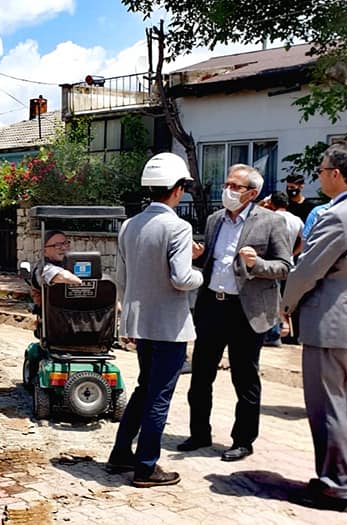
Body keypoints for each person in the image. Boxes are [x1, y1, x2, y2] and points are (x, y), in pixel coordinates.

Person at [282, 143, 347, 513]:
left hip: (333, 324)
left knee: (328, 408)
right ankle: (334, 477)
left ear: (337, 174)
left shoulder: (337, 216)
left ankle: (334, 485)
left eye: (323, 170)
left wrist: (286, 303)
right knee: (344, 406)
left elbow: (307, 270)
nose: (319, 176)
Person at [178, 164, 292, 462]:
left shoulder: (270, 222)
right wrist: (198, 257)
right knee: (201, 375)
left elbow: (284, 267)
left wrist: (257, 265)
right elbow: (212, 264)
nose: (227, 190)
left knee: (245, 378)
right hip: (212, 306)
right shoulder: (216, 219)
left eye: (235, 186)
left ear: (252, 193)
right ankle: (199, 433)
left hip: (246, 310)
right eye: (226, 183)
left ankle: (243, 440)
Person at [106, 152, 204, 488]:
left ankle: (121, 453)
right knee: (159, 395)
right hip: (169, 326)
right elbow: (180, 278)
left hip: (140, 322)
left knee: (144, 388)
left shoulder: (129, 226)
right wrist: (200, 275)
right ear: (177, 189)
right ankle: (146, 467)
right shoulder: (178, 227)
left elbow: (122, 277)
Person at [262, 191, 303, 347]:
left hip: (273, 263)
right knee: (288, 300)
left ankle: (273, 333)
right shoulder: (296, 220)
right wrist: (292, 254)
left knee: (273, 298)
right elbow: (304, 241)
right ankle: (292, 334)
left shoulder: (270, 218)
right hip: (290, 263)